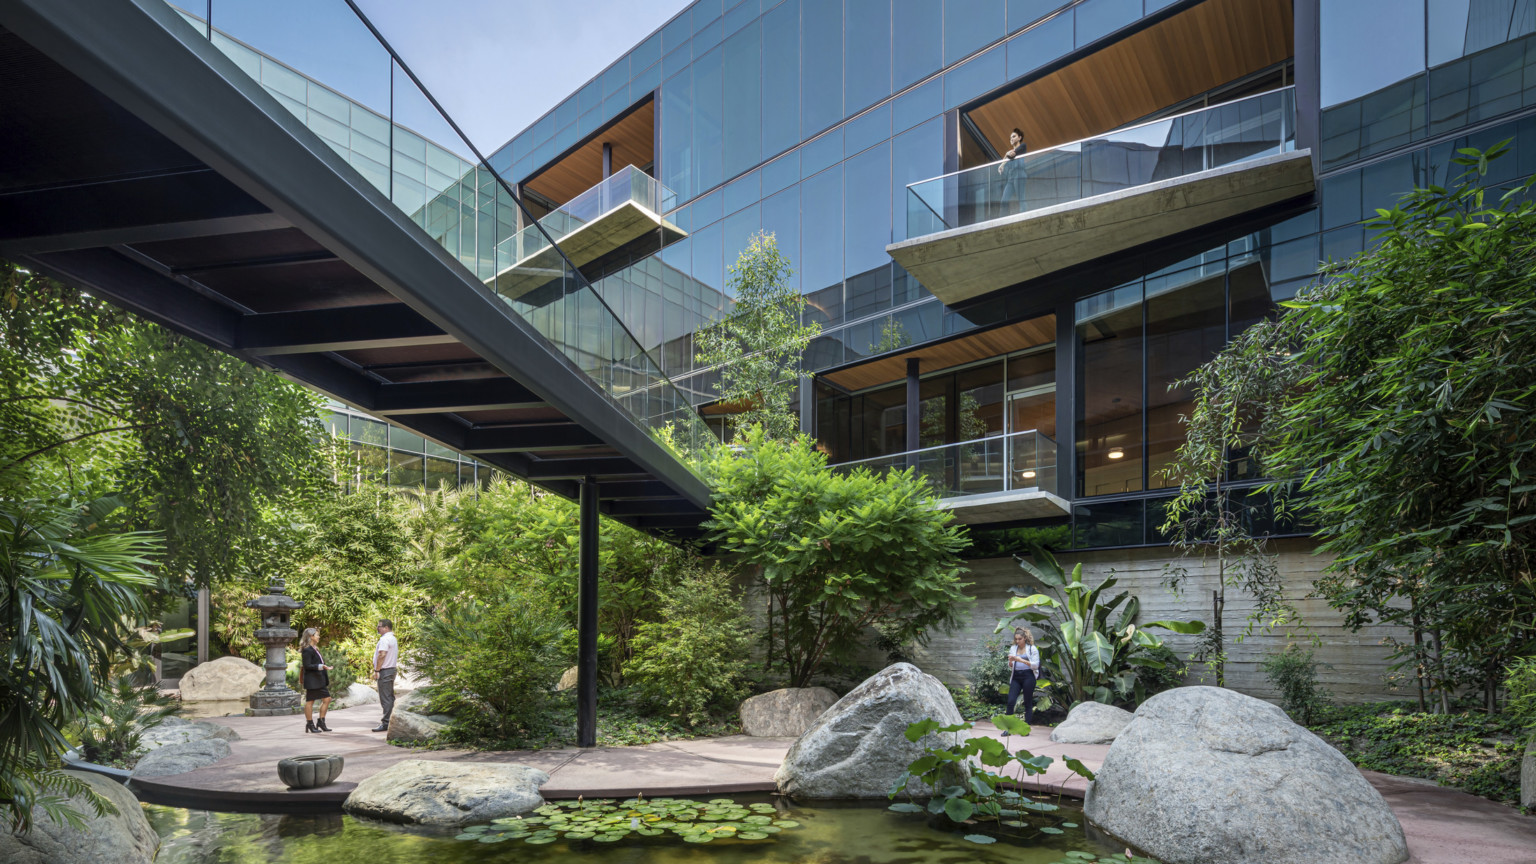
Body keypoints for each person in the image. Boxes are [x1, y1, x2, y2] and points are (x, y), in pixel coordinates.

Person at [299, 627, 332, 734]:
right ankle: (310, 724)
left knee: (327, 699)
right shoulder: (307, 650)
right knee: (310, 701)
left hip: (318, 679)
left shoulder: (314, 648)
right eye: (317, 635)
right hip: (312, 680)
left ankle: (321, 722)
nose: (319, 636)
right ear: (311, 636)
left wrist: (323, 667)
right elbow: (307, 665)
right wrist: (321, 666)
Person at [1004, 627, 1040, 725]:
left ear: (1024, 638)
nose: (1017, 641)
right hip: (1016, 676)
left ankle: (1026, 727)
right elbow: (1010, 665)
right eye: (1016, 639)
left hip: (1028, 676)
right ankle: (1008, 727)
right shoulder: (1013, 648)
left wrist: (1020, 660)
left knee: (1027, 702)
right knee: (1011, 701)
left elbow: (1036, 665)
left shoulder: (1032, 648)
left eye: (1019, 639)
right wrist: (1011, 661)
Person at [370, 619, 398, 733]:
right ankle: (391, 720)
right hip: (391, 669)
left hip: (385, 671)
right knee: (390, 697)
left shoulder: (385, 639)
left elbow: (382, 654)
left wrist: (377, 670)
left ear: (386, 628)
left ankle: (386, 723)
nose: (378, 628)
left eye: (379, 626)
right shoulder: (393, 638)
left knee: (385, 698)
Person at [996, 127, 1027, 217]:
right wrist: (1002, 165)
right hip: (1011, 177)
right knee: (1004, 201)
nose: (1011, 139)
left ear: (1019, 138)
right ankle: (1002, 221)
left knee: (1021, 198)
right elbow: (1007, 157)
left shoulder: (1023, 146)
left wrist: (1004, 158)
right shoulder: (1010, 152)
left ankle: (1024, 217)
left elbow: (1012, 155)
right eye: (1010, 138)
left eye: (1014, 136)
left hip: (1019, 174)